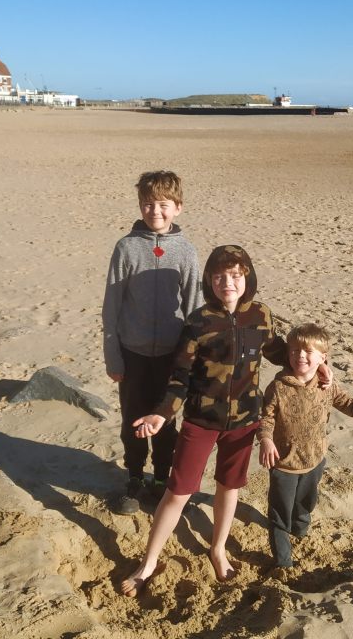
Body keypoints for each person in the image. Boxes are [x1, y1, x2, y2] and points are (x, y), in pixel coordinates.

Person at [119, 245, 293, 596]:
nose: (227, 282)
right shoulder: (197, 323)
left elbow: (282, 354)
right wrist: (161, 413)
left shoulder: (261, 316)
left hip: (244, 422)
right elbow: (179, 378)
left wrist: (317, 366)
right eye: (219, 277)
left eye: (235, 275)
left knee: (230, 487)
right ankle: (149, 562)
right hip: (200, 421)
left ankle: (218, 547)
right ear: (209, 281)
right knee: (179, 491)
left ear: (247, 277)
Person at [102, 170, 202, 515]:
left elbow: (193, 308)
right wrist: (112, 355)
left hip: (172, 355)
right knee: (133, 418)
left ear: (178, 208)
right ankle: (134, 478)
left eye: (162, 204)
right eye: (148, 204)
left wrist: (194, 357)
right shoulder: (126, 247)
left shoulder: (186, 251)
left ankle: (161, 479)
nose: (154, 211)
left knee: (166, 420)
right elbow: (112, 305)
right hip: (133, 353)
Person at [258, 322, 353, 569]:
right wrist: (266, 439)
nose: (300, 356)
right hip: (284, 463)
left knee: (305, 503)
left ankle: (300, 530)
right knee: (279, 512)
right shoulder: (278, 387)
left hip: (315, 459)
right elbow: (266, 417)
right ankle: (283, 562)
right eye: (294, 351)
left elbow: (349, 404)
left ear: (323, 358)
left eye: (308, 352)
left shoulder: (326, 384)